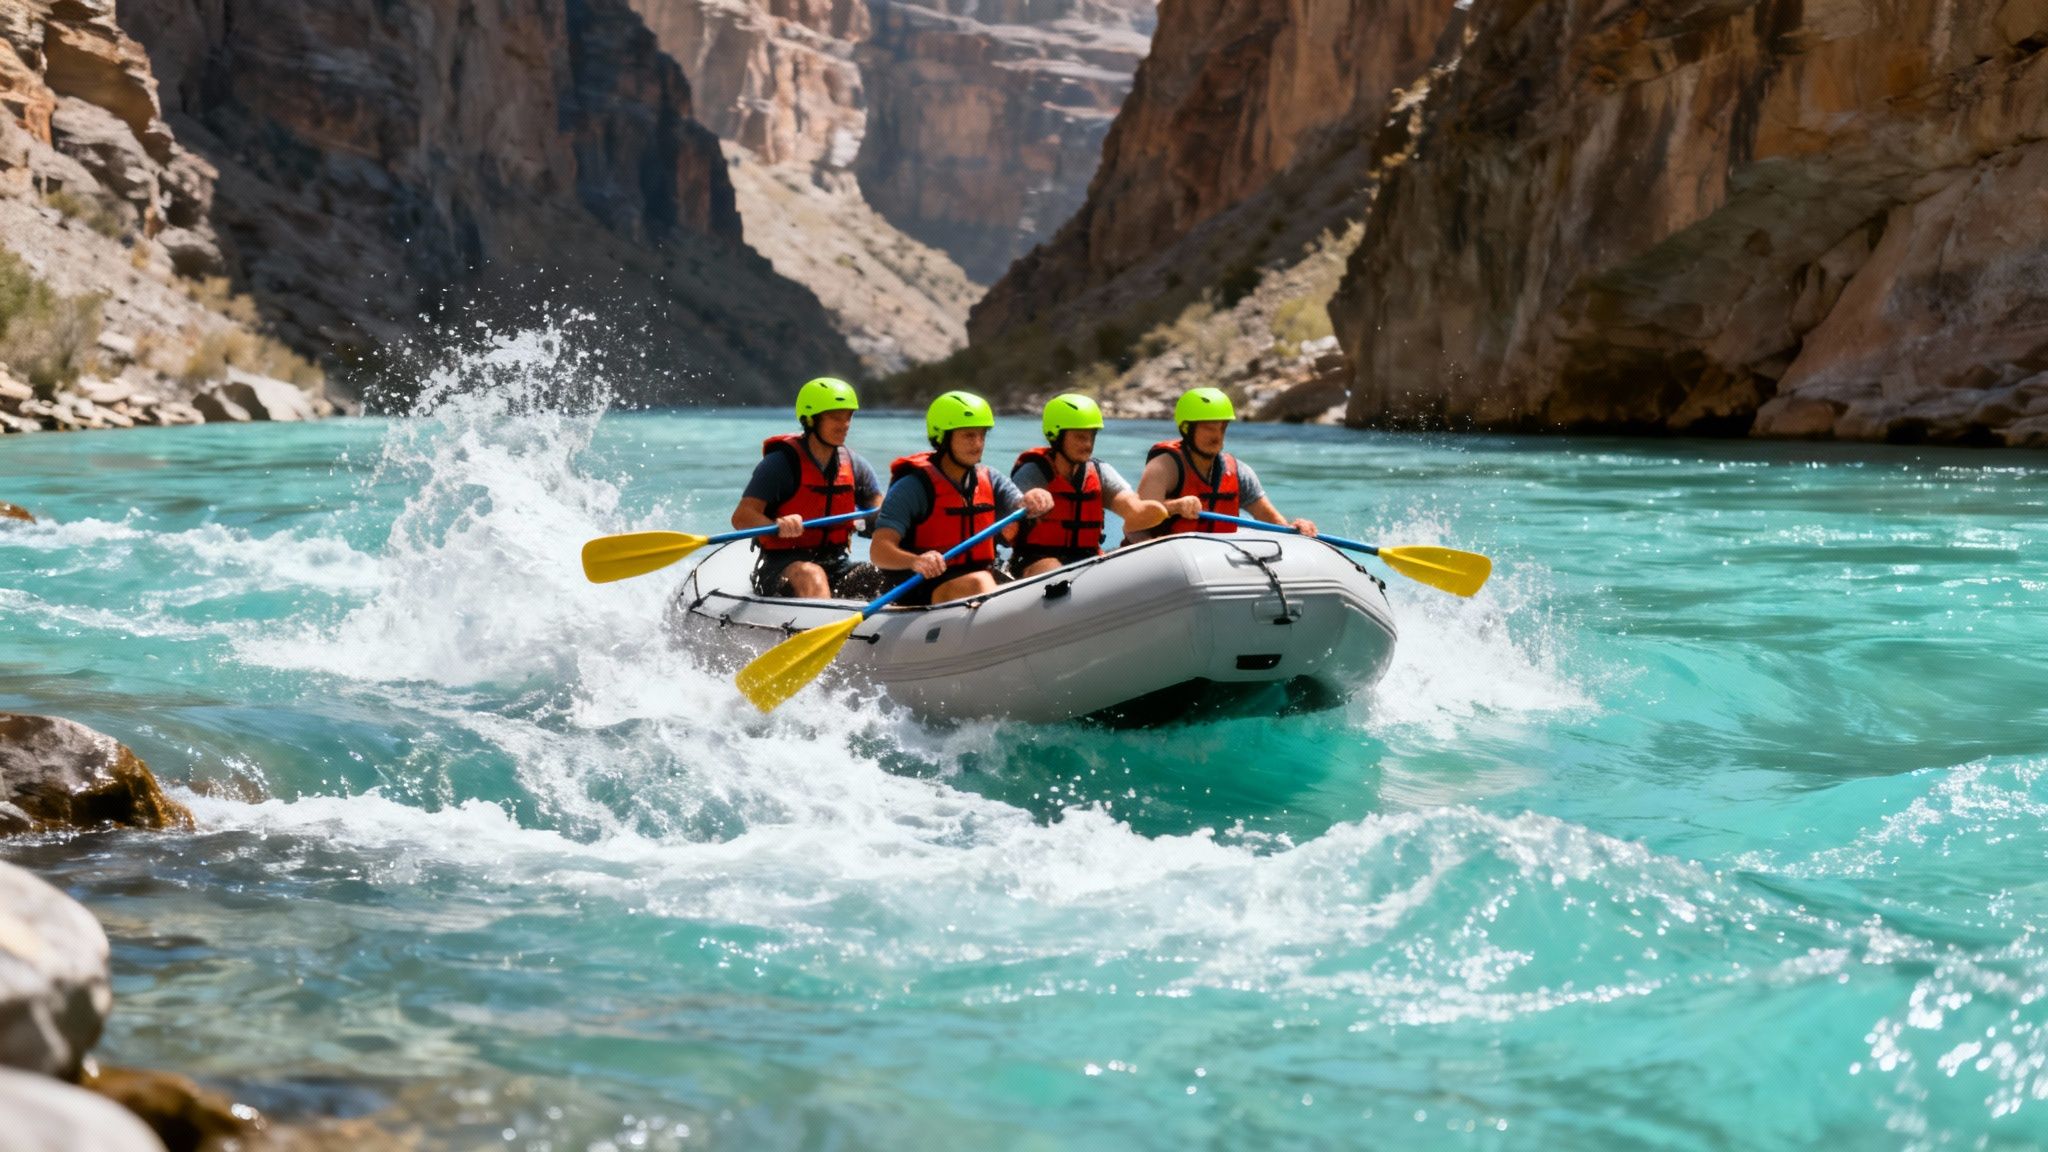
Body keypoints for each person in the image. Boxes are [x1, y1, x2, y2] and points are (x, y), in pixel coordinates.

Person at [871, 391, 1054, 606]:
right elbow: (879, 550)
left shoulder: (990, 478)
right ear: (943, 437)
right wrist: (916, 561)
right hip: (922, 587)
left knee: (1042, 572)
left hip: (978, 580)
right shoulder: (913, 486)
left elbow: (1021, 503)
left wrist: (1037, 497)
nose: (978, 443)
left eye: (982, 435)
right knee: (981, 581)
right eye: (969, 435)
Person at [730, 377, 887, 599]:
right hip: (782, 567)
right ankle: (822, 626)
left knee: (882, 575)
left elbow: (879, 512)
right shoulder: (780, 464)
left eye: (848, 416)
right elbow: (741, 518)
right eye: (835, 417)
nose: (844, 424)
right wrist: (776, 525)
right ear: (811, 419)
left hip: (837, 565)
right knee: (812, 575)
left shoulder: (855, 465)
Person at [1007, 393, 1171, 578]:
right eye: (1079, 437)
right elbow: (1011, 514)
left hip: (1088, 559)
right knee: (1052, 569)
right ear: (1056, 436)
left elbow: (1131, 507)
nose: (1087, 444)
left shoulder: (1100, 472)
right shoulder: (1033, 472)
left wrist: (1159, 510)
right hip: (1034, 560)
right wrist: (1029, 502)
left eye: (1091, 437)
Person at [1127, 386, 1316, 542]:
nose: (1217, 436)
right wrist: (1175, 506)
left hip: (1215, 560)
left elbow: (1271, 521)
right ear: (1187, 429)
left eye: (1222, 427)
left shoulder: (1239, 472)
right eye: (1209, 428)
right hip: (1164, 557)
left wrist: (1294, 529)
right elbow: (1136, 521)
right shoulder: (1164, 466)